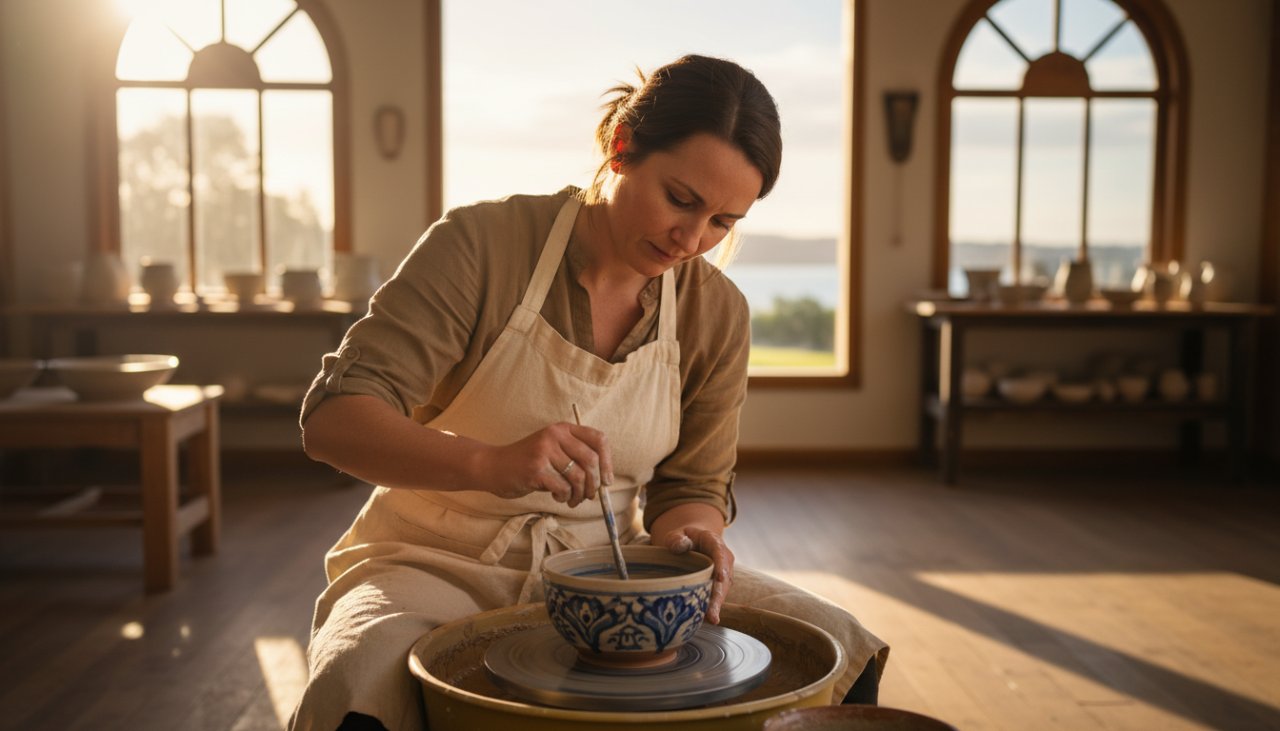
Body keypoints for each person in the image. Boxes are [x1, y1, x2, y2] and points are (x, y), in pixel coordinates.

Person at [288, 54, 888, 731]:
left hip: (612, 571)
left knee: (838, 651)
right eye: (681, 199)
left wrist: (694, 536)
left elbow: (692, 484)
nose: (691, 239)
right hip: (431, 562)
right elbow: (334, 420)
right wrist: (490, 464)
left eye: (723, 221)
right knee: (360, 677)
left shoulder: (715, 311)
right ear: (620, 147)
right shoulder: (480, 246)